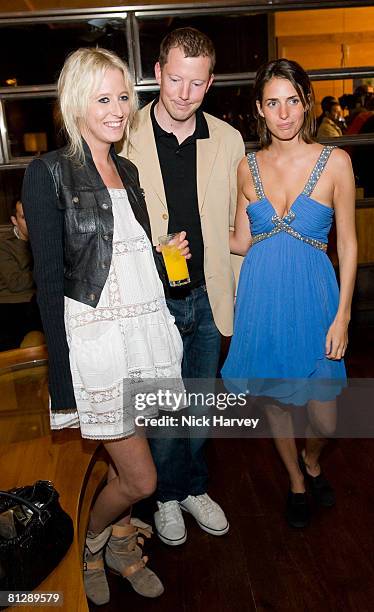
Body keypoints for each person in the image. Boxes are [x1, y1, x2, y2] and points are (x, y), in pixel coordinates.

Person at [22, 47, 189, 605]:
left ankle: (118, 540)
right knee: (141, 479)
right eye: (104, 98)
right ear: (75, 102)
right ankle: (91, 543)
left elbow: (122, 250)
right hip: (98, 345)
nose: (119, 109)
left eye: (123, 97)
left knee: (131, 465)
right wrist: (62, 381)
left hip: (141, 337)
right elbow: (48, 282)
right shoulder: (46, 173)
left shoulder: (131, 170)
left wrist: (160, 249)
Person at [222, 58, 357, 528]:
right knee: (277, 403)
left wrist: (341, 317)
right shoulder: (247, 167)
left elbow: (350, 245)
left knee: (326, 421)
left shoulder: (335, 161)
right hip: (262, 300)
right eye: (273, 103)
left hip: (317, 302)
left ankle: (313, 460)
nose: (283, 113)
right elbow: (240, 240)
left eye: (292, 102)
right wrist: (189, 237)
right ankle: (296, 482)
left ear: (305, 104)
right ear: (260, 109)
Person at [122, 27, 245, 545]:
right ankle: (166, 497)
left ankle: (193, 487)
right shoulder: (123, 135)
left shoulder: (229, 138)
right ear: (156, 74)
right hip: (152, 302)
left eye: (196, 84)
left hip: (207, 295)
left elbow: (240, 224)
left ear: (210, 82)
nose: (183, 93)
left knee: (199, 402)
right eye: (175, 80)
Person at [0, 199, 42, 350]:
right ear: (14, 220)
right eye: (24, 217)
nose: (30, 222)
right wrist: (44, 273)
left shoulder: (45, 242)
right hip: (11, 305)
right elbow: (15, 283)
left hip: (36, 302)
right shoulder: (5, 246)